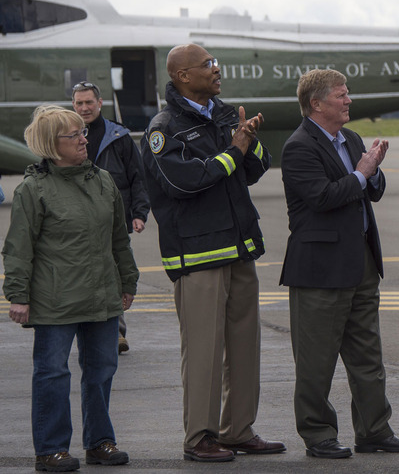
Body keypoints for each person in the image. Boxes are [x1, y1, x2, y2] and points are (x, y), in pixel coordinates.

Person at [140, 43, 285, 462]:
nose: (216, 69)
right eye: (207, 65)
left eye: (215, 62)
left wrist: (250, 142)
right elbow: (185, 182)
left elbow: (255, 169)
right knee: (203, 353)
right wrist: (234, 150)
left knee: (244, 346)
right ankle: (199, 437)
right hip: (199, 257)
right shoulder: (164, 128)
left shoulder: (224, 115)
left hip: (239, 250)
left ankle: (238, 430)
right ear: (183, 76)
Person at [280, 68, 399, 459]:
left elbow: (370, 189)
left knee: (367, 355)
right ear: (316, 103)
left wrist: (372, 172)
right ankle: (318, 434)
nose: (349, 100)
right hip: (320, 268)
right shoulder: (299, 146)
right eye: (341, 95)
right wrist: (362, 173)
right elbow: (322, 198)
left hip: (360, 260)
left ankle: (375, 430)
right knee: (316, 361)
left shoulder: (351, 138)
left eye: (347, 93)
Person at [3, 105, 137, 471]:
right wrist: (18, 294)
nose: (84, 139)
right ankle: (50, 449)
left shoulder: (103, 180)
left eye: (83, 133)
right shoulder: (34, 189)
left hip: (101, 296)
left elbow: (118, 240)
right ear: (51, 143)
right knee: (52, 374)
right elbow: (19, 247)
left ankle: (100, 442)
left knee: (102, 370)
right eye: (74, 135)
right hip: (54, 299)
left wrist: (128, 281)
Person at [72, 81, 150, 354]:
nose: (84, 108)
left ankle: (116, 333)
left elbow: (138, 178)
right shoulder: (65, 136)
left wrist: (139, 213)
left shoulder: (120, 137)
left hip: (114, 220)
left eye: (89, 102)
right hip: (75, 222)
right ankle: (87, 332)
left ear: (100, 102)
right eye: (79, 103)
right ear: (73, 106)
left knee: (115, 275)